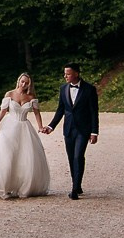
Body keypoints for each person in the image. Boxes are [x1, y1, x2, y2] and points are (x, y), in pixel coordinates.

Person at [42, 63, 100, 199]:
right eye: (65, 73)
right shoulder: (63, 89)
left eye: (68, 73)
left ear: (76, 73)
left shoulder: (89, 89)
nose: (65, 76)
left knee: (78, 156)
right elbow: (60, 110)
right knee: (70, 157)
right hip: (68, 129)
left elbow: (93, 112)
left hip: (83, 129)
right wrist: (51, 126)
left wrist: (94, 132)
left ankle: (74, 189)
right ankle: (77, 184)